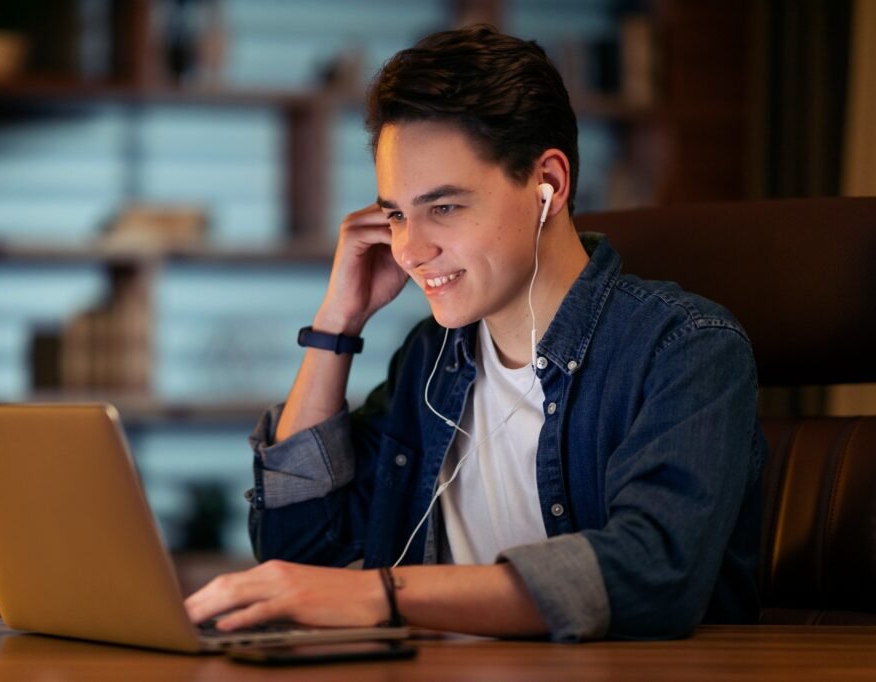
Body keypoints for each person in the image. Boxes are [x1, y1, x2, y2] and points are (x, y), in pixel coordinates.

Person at [184, 24, 765, 642]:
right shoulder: (431, 362)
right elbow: (297, 546)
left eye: (444, 207)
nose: (408, 250)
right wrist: (336, 325)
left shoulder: (686, 350)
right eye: (396, 214)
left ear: (550, 185)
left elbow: (652, 573)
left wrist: (381, 595)